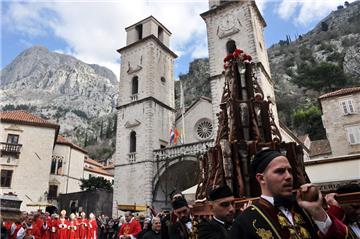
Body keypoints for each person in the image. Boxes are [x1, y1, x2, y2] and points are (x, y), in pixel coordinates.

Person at [230, 148, 348, 239]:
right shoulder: (245, 221)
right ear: (261, 179)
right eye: (280, 171)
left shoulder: (305, 209)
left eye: (290, 171)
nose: (288, 177)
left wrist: (318, 212)